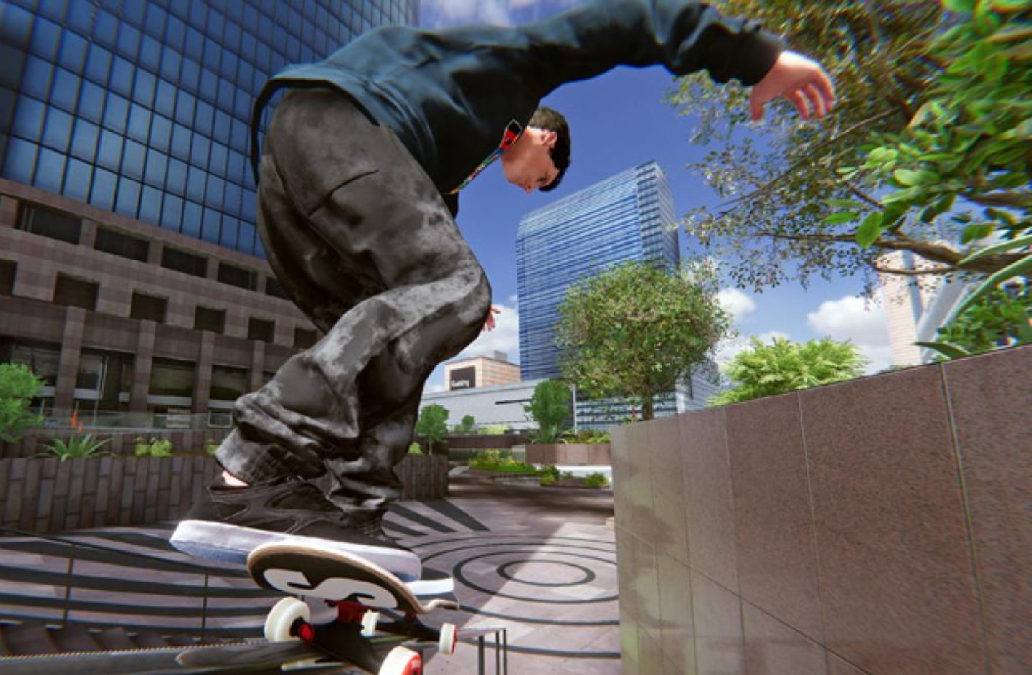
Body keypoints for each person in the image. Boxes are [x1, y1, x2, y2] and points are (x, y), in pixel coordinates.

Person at [170, 0, 835, 581]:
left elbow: (426, 234)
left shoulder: (452, 163)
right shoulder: (512, 68)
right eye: (544, 177)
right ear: (547, 138)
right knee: (458, 289)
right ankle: (247, 470)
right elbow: (627, 22)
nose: (529, 187)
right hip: (334, 125)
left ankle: (351, 526)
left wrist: (443, 302)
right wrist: (754, 57)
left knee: (402, 360)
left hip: (295, 195)